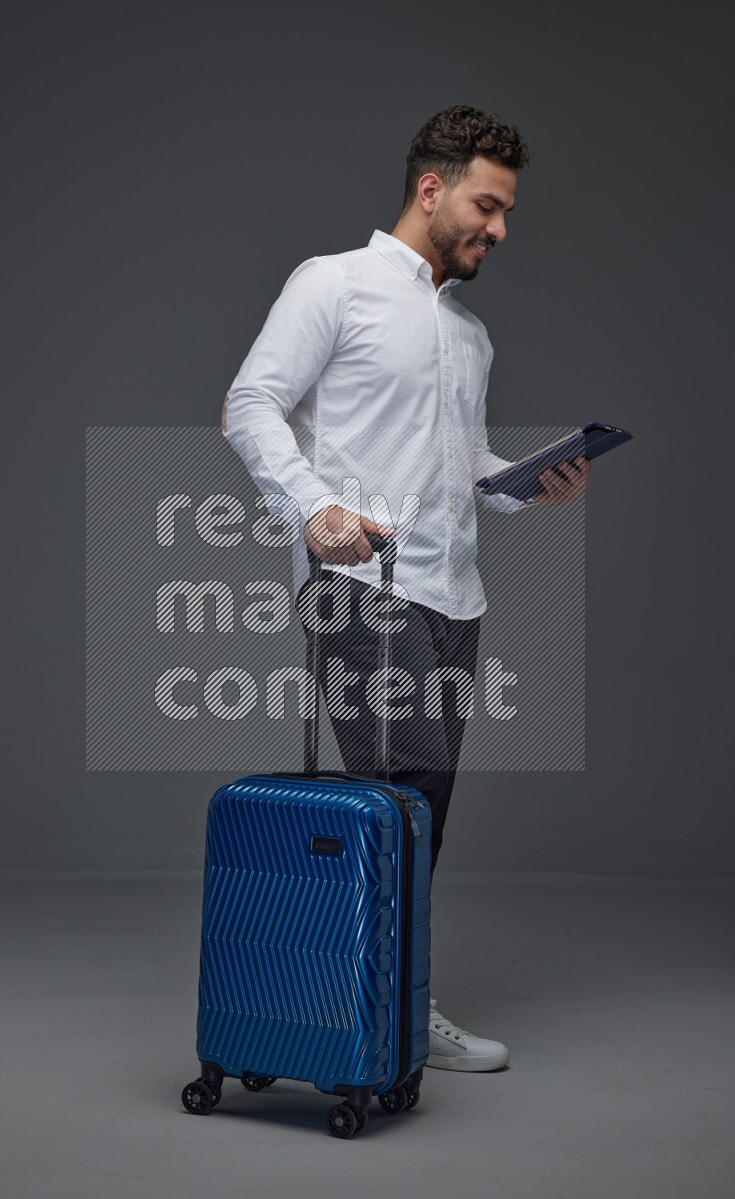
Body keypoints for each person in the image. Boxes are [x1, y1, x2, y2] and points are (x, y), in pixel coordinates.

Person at [223, 105, 590, 1072]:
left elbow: (462, 470)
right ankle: (371, 999)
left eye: (504, 212)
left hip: (455, 595)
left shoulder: (469, 337)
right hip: (360, 585)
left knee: (423, 804)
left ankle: (385, 995)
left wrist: (528, 486)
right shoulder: (334, 285)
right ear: (432, 190)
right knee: (400, 788)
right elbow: (250, 402)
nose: (498, 230)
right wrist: (309, 508)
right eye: (486, 205)